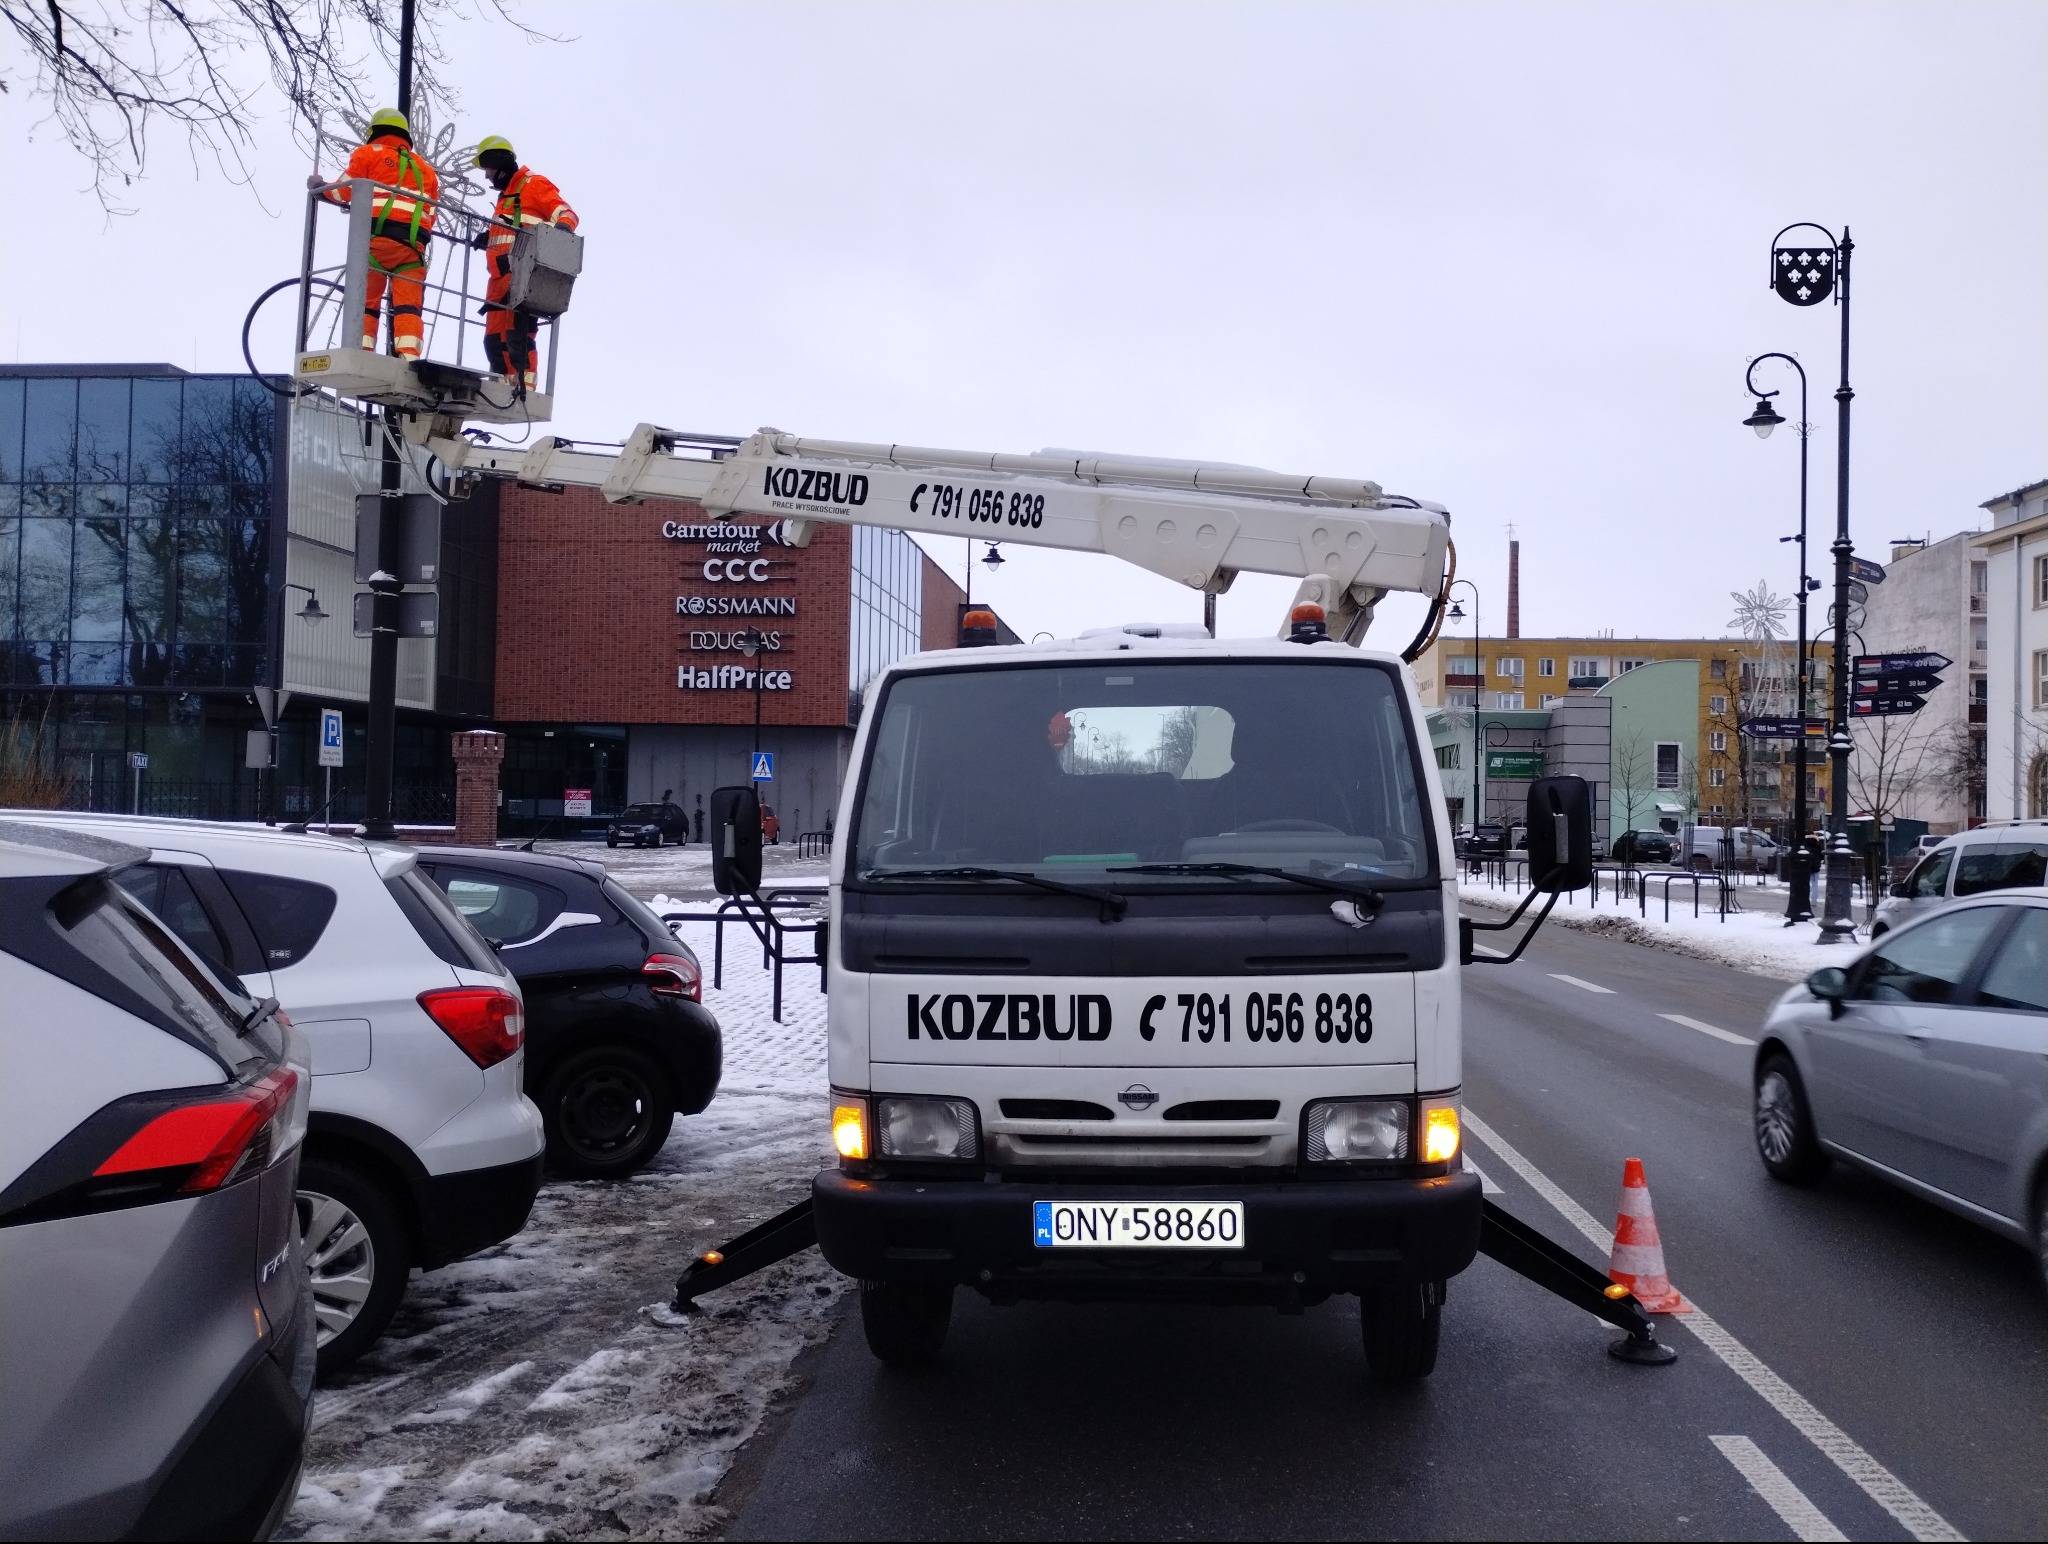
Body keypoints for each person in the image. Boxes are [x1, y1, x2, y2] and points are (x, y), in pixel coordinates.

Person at [314, 108, 440, 359]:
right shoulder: (425, 170)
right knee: (408, 306)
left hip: (376, 244)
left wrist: (319, 188)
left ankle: (362, 351)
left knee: (365, 302)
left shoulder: (367, 154)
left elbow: (343, 190)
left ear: (375, 132)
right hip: (413, 248)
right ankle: (409, 355)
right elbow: (431, 213)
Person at [471, 136, 579, 392]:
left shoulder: (533, 185)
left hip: (519, 277)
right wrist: (489, 236)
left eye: (487, 168)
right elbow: (511, 229)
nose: (487, 176)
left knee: (518, 338)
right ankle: (501, 386)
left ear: (498, 163)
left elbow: (567, 214)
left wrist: (561, 230)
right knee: (494, 341)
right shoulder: (507, 196)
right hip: (497, 280)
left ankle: (524, 389)